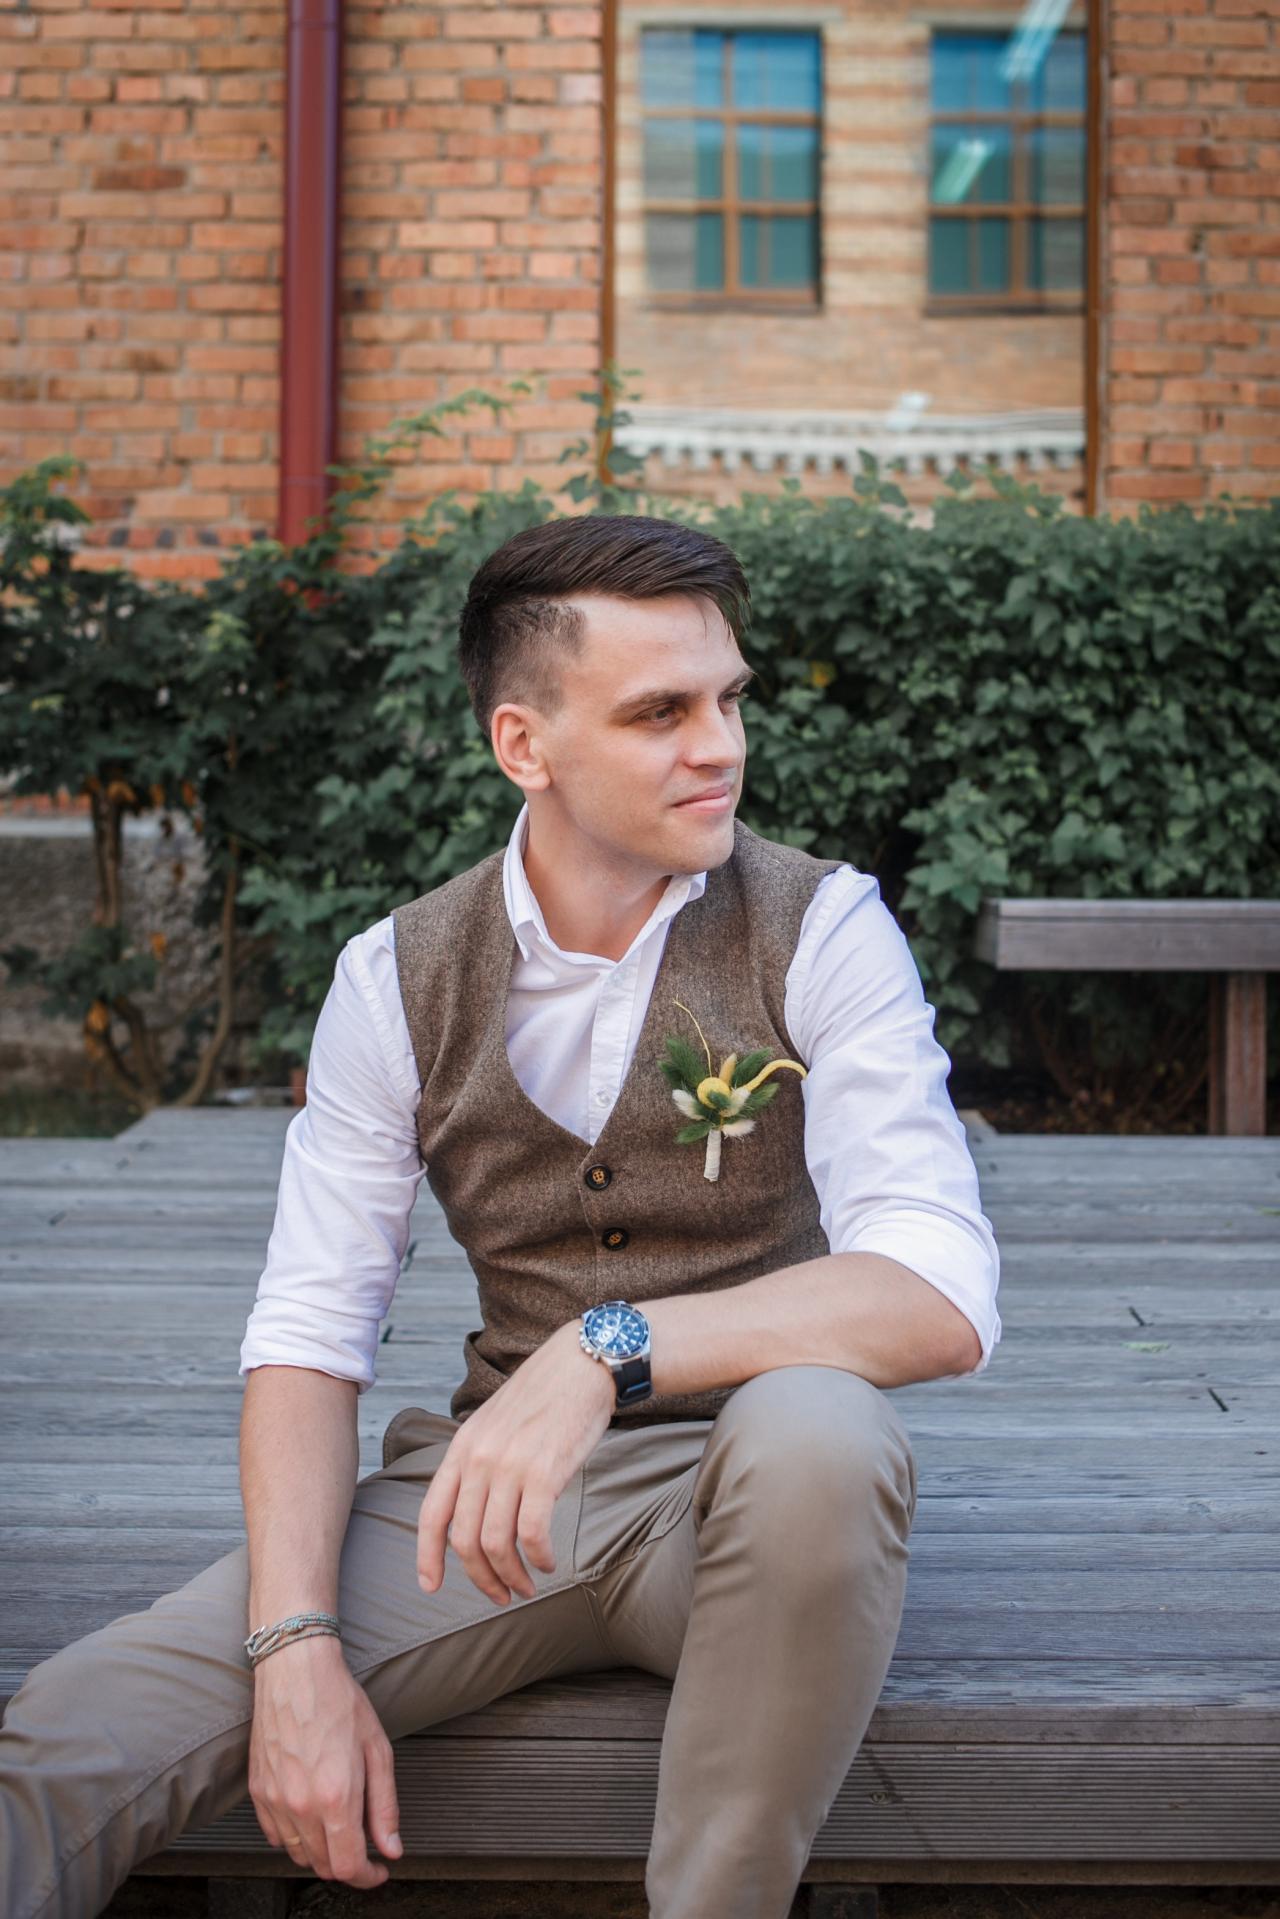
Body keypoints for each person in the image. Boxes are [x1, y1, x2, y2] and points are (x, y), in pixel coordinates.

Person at [0, 513, 1001, 1919]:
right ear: (524, 745)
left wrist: (605, 1350)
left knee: (824, 1430)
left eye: (729, 699)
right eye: (660, 712)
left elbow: (937, 1290)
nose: (719, 746)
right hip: (488, 1509)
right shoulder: (393, 977)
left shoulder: (823, 927)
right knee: (74, 1734)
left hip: (755, 1503)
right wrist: (295, 1649)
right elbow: (309, 1333)